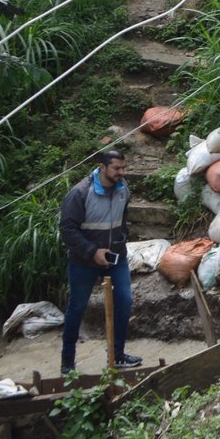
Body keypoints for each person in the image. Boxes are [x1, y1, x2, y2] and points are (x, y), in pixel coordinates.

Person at [59, 150, 141, 374]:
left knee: (124, 302)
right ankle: (67, 361)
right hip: (83, 261)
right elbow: (67, 229)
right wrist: (91, 251)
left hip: (116, 258)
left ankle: (117, 355)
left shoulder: (124, 189)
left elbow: (122, 220)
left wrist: (119, 243)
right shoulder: (80, 193)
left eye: (124, 168)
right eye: (116, 168)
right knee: (77, 307)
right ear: (102, 167)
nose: (121, 173)